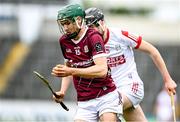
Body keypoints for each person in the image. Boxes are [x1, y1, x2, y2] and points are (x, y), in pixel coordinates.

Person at [85, 7, 177, 121]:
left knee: (108, 108)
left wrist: (167, 80)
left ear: (102, 23)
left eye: (93, 27)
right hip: (112, 92)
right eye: (88, 29)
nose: (91, 33)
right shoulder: (89, 45)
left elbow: (152, 51)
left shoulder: (120, 35)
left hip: (131, 87)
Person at [51, 4, 122, 122]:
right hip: (84, 100)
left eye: (68, 23)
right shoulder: (64, 41)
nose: (65, 27)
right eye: (63, 24)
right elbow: (68, 68)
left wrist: (72, 71)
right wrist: (62, 91)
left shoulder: (93, 37)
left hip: (106, 95)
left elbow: (102, 70)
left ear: (78, 20)